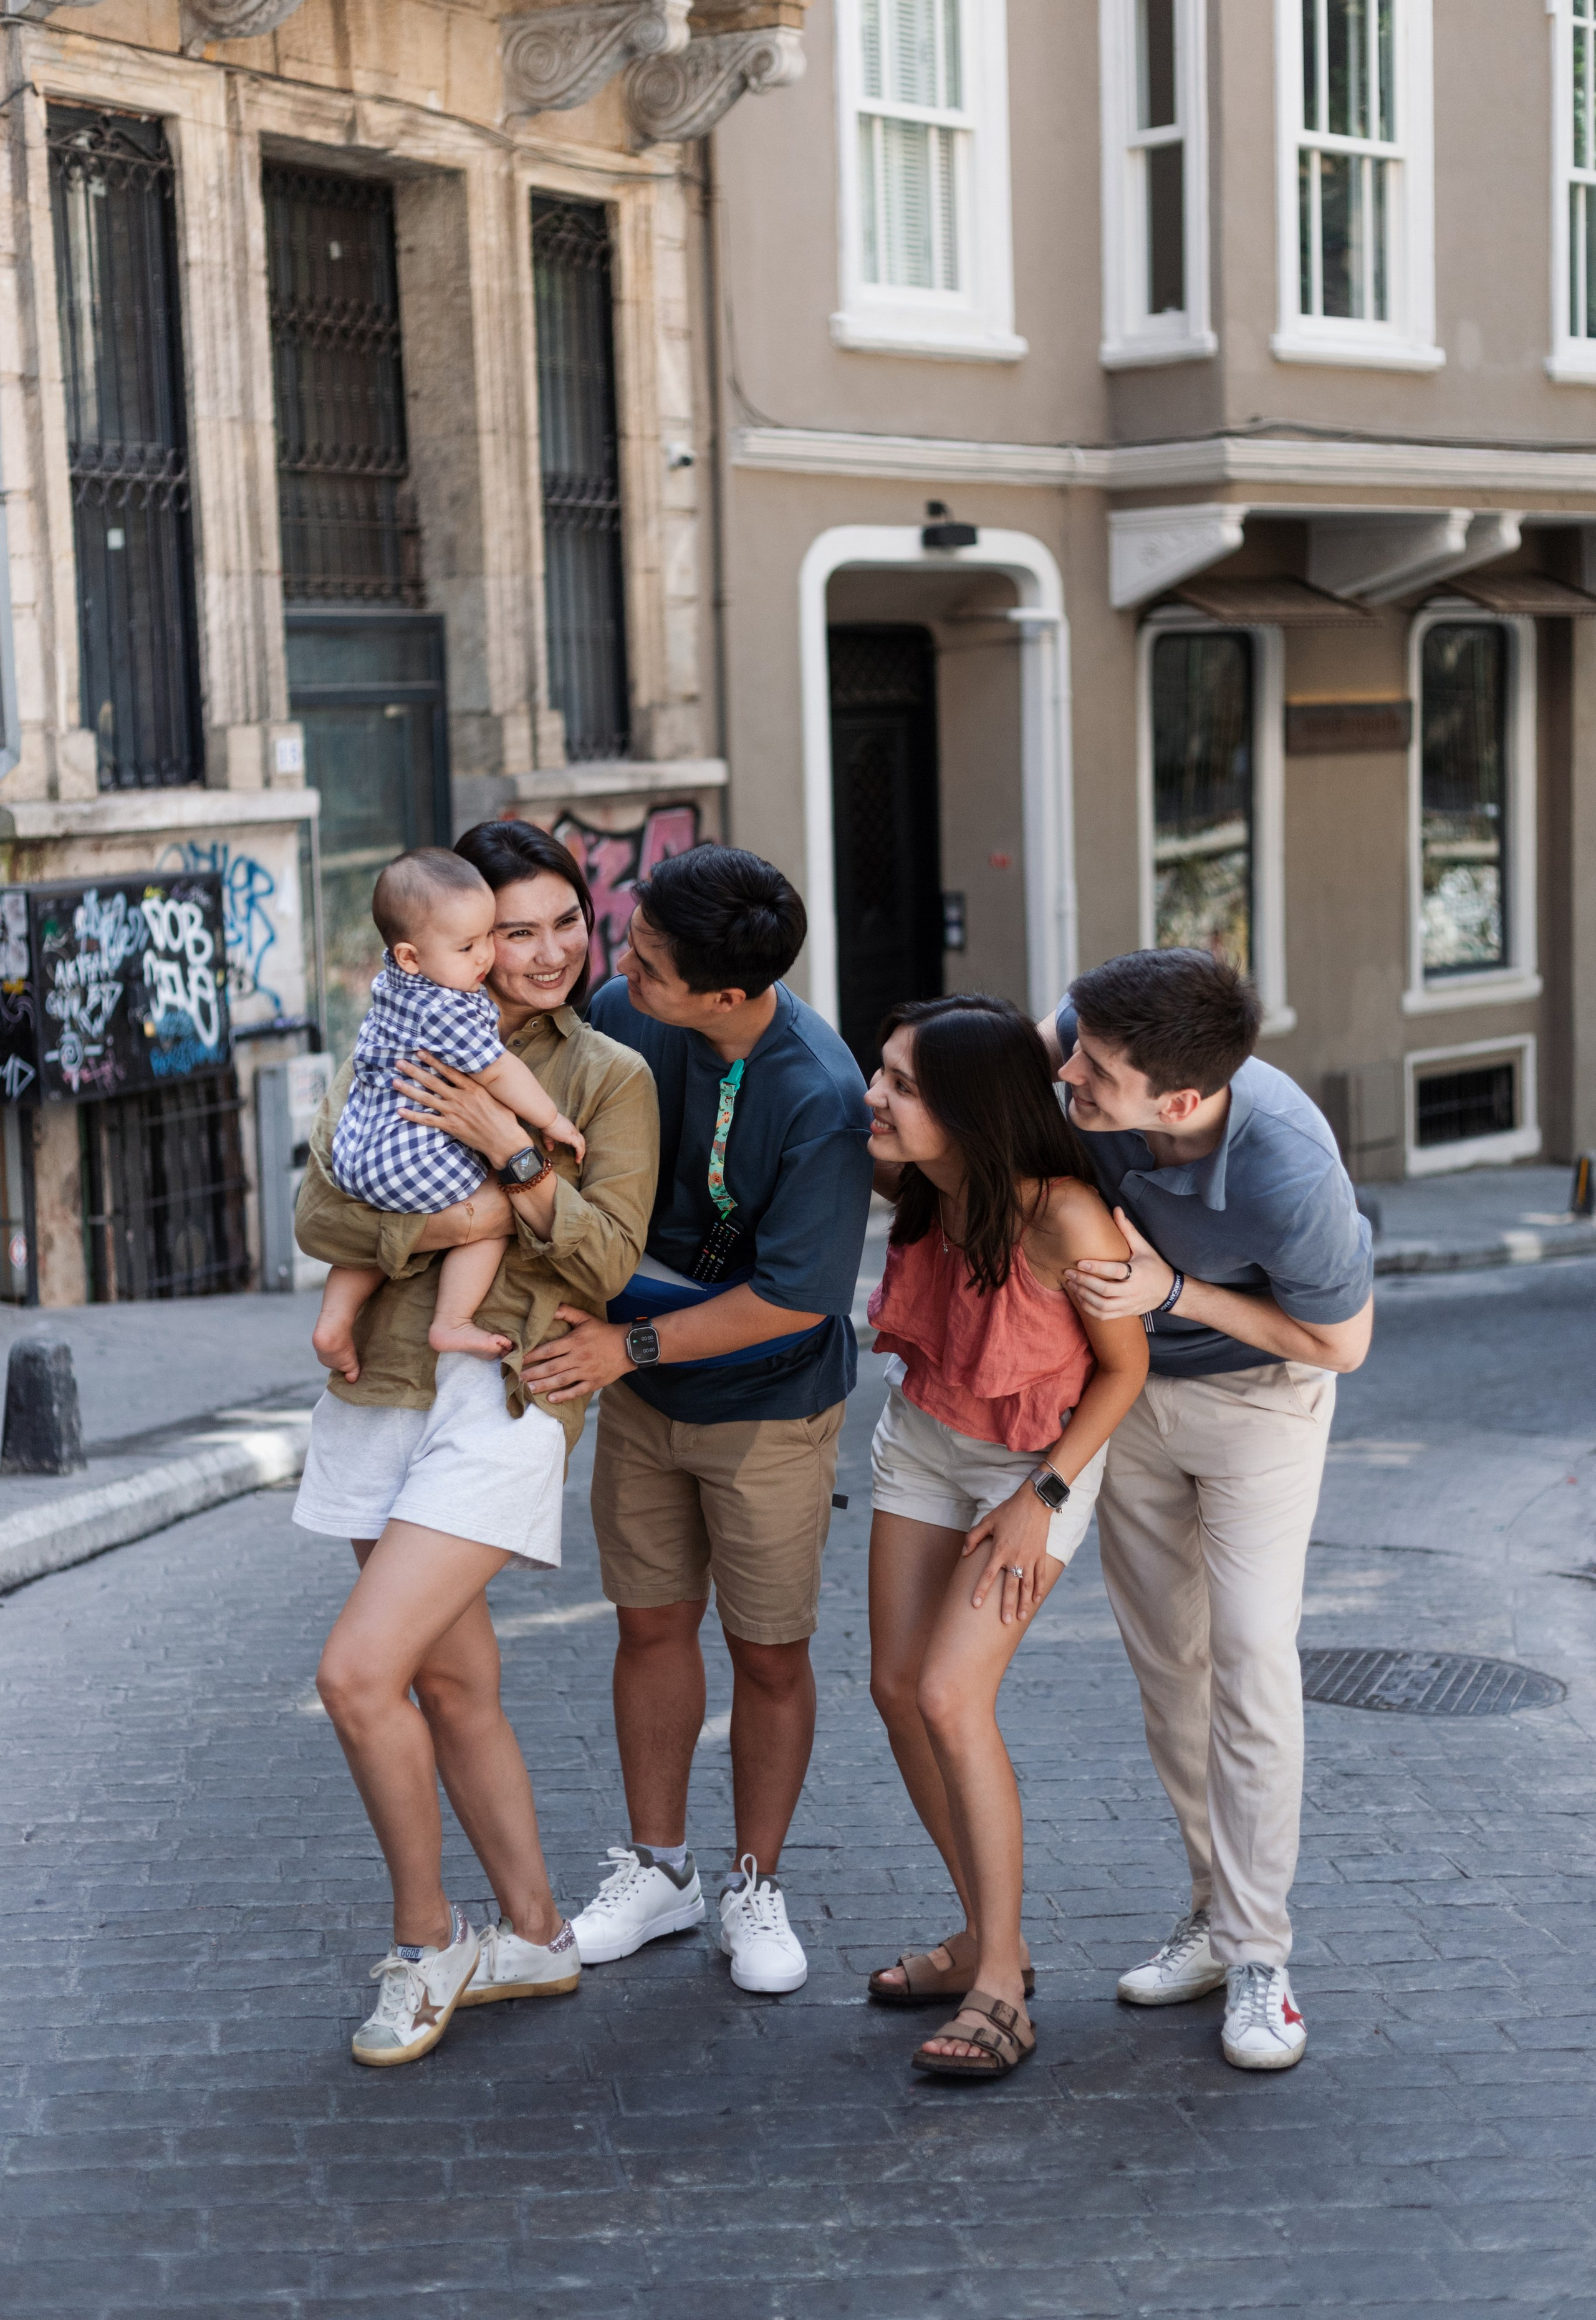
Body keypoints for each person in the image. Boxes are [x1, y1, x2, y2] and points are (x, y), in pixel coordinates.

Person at [291, 820, 659, 2066]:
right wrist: (459, 1217)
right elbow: (319, 1206)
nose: (548, 949)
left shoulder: (607, 1076)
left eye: (569, 921)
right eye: (516, 928)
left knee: (355, 1677)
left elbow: (606, 1257)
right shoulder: (399, 1026)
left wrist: (505, 1155)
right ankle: (540, 1936)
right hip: (381, 1386)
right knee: (450, 1685)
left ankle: (426, 1938)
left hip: (504, 1395)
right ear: (452, 939)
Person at [521, 844, 873, 1996]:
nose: (618, 971)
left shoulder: (820, 1094)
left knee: (770, 1655)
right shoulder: (629, 1009)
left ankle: (754, 1881)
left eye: (650, 965)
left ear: (729, 996)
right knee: (649, 1628)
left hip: (767, 1409)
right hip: (647, 1400)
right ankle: (662, 1870)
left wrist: (622, 1346)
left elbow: (795, 1296)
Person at [1040, 947, 1373, 2072]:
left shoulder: (1289, 1173)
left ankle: (1262, 1958)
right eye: (1073, 1048)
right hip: (1129, 1396)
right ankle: (1213, 1918)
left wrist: (1174, 1292)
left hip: (1261, 1405)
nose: (1068, 1076)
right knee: (1171, 1671)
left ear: (1179, 1103)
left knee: (1250, 1656)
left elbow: (1344, 1344)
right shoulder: (1084, 1048)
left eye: (1094, 1072)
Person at [860, 997, 1148, 2079]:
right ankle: (987, 1937)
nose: (874, 1097)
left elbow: (1125, 1370)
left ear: (974, 1112)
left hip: (1040, 1462)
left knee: (949, 1695)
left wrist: (1043, 1495)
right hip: (928, 1438)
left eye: (900, 1084)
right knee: (895, 1688)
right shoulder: (919, 1180)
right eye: (879, 1071)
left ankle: (1000, 1984)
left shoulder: (1062, 1215)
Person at [312, 846, 587, 1380]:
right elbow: (499, 1071)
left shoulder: (393, 984)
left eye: (489, 937)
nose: (483, 957)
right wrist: (550, 1121)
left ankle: (333, 1319)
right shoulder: (448, 1007)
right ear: (412, 955)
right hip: (414, 1155)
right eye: (469, 945)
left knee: (372, 1221)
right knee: (492, 1207)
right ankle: (453, 1319)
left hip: (361, 1147)